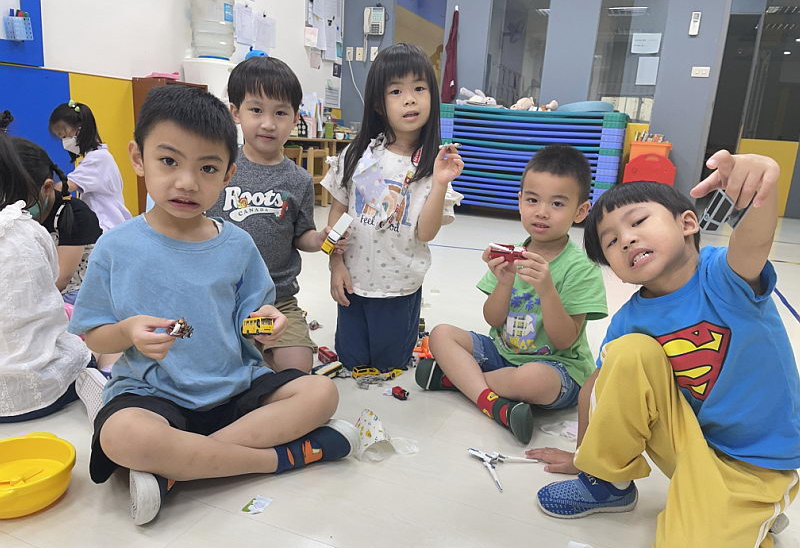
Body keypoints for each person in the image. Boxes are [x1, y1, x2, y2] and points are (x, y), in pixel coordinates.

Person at [68, 85, 358, 526]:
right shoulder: (115, 246)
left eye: (207, 168)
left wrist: (265, 323)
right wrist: (127, 332)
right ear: (138, 158)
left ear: (227, 175)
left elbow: (248, 323)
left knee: (321, 392)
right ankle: (280, 458)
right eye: (169, 161)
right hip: (152, 395)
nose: (187, 182)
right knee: (122, 435)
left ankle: (179, 468)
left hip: (234, 387)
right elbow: (95, 336)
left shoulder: (237, 245)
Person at [532, 153, 799, 548]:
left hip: (756, 463)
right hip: (691, 446)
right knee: (625, 354)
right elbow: (596, 391)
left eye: (639, 221)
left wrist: (760, 191)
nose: (627, 239)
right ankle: (611, 486)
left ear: (688, 223)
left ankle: (756, 521)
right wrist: (586, 458)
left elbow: (753, 242)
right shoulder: (631, 320)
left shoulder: (723, 276)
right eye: (611, 241)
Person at [417, 145, 607, 444]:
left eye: (557, 203)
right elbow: (493, 319)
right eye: (532, 200)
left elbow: (564, 340)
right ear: (519, 202)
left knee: (533, 379)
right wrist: (504, 282)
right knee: (441, 334)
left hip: (557, 367)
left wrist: (546, 290)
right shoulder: (511, 254)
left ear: (580, 211)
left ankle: (458, 380)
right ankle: (491, 401)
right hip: (502, 354)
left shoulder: (581, 268)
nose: (542, 211)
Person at [322, 43, 464, 372]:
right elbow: (337, 214)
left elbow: (426, 233)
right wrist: (335, 264)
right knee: (351, 361)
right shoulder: (358, 155)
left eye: (419, 89)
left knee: (391, 366)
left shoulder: (432, 165)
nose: (409, 99)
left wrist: (439, 183)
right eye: (396, 91)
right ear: (378, 103)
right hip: (353, 281)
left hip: (400, 285)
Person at [206, 56, 333, 373]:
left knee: (297, 370)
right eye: (256, 110)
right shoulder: (218, 167)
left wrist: (320, 238)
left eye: (280, 112)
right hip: (223, 297)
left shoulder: (299, 180)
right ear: (236, 112)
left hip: (278, 298)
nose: (268, 123)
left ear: (295, 118)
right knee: (221, 363)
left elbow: (302, 236)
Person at [0, 132, 94, 422]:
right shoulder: (24, 227)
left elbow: (61, 279)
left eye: (67, 133)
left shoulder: (74, 213)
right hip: (37, 391)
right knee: (90, 340)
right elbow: (55, 281)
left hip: (76, 288)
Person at [12, 135, 102, 304]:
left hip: (77, 295)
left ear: (47, 187)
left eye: (20, 200)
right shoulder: (16, 217)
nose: (15, 206)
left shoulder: (75, 214)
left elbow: (61, 278)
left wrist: (25, 304)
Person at [49, 100, 131, 230]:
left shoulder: (97, 159)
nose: (64, 141)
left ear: (80, 128)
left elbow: (65, 186)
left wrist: (44, 190)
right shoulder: (96, 157)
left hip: (107, 227)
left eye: (64, 135)